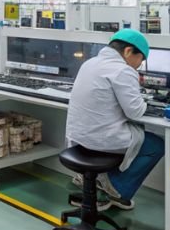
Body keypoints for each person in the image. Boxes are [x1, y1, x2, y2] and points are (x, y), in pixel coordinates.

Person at [65, 29, 164, 211]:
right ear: (128, 51)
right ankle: (115, 191)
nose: (139, 65)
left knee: (134, 133)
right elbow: (135, 112)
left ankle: (97, 180)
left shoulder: (89, 63)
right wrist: (145, 102)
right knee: (156, 145)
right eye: (140, 59)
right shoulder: (123, 70)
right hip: (100, 141)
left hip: (78, 138)